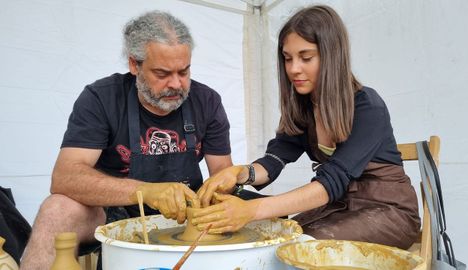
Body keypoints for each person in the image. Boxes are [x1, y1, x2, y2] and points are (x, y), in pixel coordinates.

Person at [193, 5, 421, 249]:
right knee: (274, 238)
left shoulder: (367, 106)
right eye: (287, 58)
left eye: (306, 57)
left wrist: (251, 209)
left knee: (298, 246)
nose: (293, 69)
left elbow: (330, 184)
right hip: (338, 208)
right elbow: (273, 162)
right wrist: (239, 173)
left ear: (332, 55)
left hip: (388, 212)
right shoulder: (302, 108)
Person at [20, 11, 233, 269]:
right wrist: (146, 192)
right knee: (57, 210)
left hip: (186, 214)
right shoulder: (101, 98)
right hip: (114, 212)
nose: (176, 84)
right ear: (134, 64)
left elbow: (222, 173)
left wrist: (213, 199)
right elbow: (64, 177)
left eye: (184, 71)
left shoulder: (207, 101)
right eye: (162, 73)